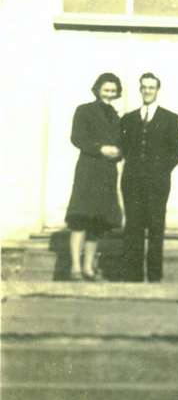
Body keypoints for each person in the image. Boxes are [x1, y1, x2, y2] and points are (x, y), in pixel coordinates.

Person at [121, 72, 178, 282]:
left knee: (156, 226)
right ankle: (133, 276)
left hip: (158, 182)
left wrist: (161, 170)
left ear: (157, 90)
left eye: (151, 87)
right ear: (140, 89)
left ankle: (155, 275)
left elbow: (177, 151)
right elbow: (123, 147)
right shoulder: (129, 119)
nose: (147, 91)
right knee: (134, 225)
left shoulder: (170, 118)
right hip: (131, 181)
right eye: (144, 87)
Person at [65, 72, 123, 281]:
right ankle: (75, 267)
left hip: (107, 173)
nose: (109, 94)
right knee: (81, 218)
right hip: (88, 170)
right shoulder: (84, 110)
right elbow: (77, 138)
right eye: (106, 90)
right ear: (97, 90)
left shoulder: (116, 116)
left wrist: (118, 152)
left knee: (97, 222)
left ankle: (88, 267)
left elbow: (121, 142)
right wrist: (100, 149)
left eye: (113, 91)